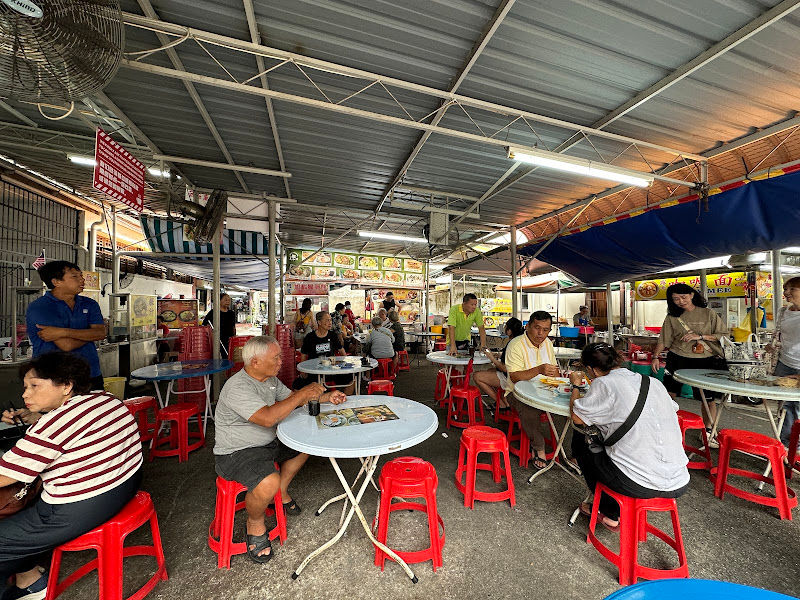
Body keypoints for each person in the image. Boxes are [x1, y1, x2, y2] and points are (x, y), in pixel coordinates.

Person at [0, 352, 143, 599]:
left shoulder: (53, 426)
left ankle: (31, 582)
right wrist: (36, 418)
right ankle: (29, 580)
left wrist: (40, 423)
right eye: (25, 388)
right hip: (125, 486)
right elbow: (72, 426)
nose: (25, 395)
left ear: (66, 386)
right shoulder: (104, 399)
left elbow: (5, 475)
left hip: (76, 510)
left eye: (34, 386)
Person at [214, 336, 346, 563]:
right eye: (275, 358)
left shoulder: (270, 380)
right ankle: (255, 523)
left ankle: (281, 491)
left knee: (306, 444)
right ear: (255, 362)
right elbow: (267, 418)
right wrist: (302, 394)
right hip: (238, 451)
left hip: (268, 442)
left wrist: (326, 398)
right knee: (268, 481)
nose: (280, 362)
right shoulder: (237, 387)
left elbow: (292, 400)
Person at [569, 342, 689, 531]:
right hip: (678, 480)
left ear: (592, 370)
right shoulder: (653, 383)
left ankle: (609, 513)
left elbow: (577, 418)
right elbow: (671, 410)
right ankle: (615, 505)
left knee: (583, 444)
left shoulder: (603, 383)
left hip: (638, 483)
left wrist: (575, 385)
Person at [651, 283, 728, 433]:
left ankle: (708, 430)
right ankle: (666, 427)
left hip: (705, 359)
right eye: (676, 299)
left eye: (683, 297)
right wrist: (655, 356)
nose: (680, 301)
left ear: (692, 295)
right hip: (677, 357)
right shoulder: (672, 317)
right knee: (669, 394)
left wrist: (700, 336)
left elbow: (723, 336)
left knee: (707, 398)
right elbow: (664, 339)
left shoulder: (708, 313)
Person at [25, 261, 107, 392]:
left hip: (90, 373)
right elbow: (66, 345)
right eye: (75, 276)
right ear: (56, 282)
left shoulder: (89, 304)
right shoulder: (40, 307)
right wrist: (90, 334)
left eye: (81, 276)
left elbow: (101, 333)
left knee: (96, 405)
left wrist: (62, 331)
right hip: (54, 378)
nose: (82, 279)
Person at [504, 311, 559, 469]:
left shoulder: (547, 343)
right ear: (527, 326)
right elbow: (515, 377)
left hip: (544, 390)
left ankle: (573, 452)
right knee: (529, 407)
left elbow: (554, 371)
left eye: (545, 329)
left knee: (574, 403)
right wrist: (539, 369)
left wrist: (557, 377)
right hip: (516, 393)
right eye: (537, 328)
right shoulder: (516, 345)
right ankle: (538, 447)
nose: (540, 333)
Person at [767, 277, 800, 448]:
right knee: (784, 405)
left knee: (797, 407)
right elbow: (778, 335)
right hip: (784, 362)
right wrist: (771, 346)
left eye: (792, 289)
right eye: (785, 288)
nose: (786, 292)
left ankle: (794, 446)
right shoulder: (783, 312)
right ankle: (785, 444)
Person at [296, 312, 355, 395]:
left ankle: (344, 399)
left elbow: (342, 351)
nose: (330, 323)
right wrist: (303, 372)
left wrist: (346, 365)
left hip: (331, 370)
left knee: (351, 379)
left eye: (330, 320)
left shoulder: (333, 335)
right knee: (297, 385)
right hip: (314, 371)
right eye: (327, 320)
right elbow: (303, 355)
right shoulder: (310, 337)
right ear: (319, 322)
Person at [473, 317, 524, 410]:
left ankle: (501, 404)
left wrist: (492, 358)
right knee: (490, 370)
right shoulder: (518, 341)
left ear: (509, 331)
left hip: (510, 378)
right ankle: (505, 401)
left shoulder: (512, 344)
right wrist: (498, 355)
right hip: (517, 376)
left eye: (506, 327)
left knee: (476, 376)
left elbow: (504, 368)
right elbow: (510, 357)